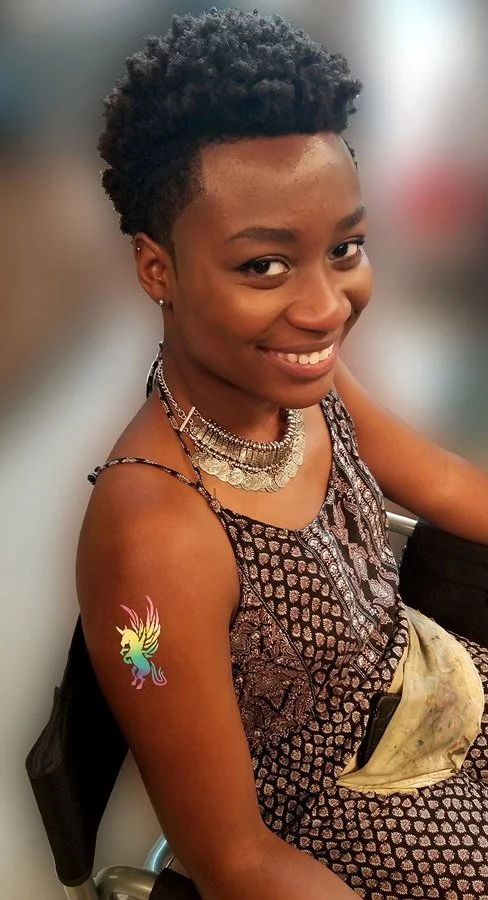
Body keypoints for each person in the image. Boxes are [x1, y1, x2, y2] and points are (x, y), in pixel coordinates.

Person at [76, 9, 488, 899]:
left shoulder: (305, 388)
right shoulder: (154, 542)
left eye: (345, 248)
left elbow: (446, 481)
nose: (326, 306)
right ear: (159, 270)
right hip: (334, 808)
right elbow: (234, 859)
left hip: (427, 679)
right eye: (264, 266)